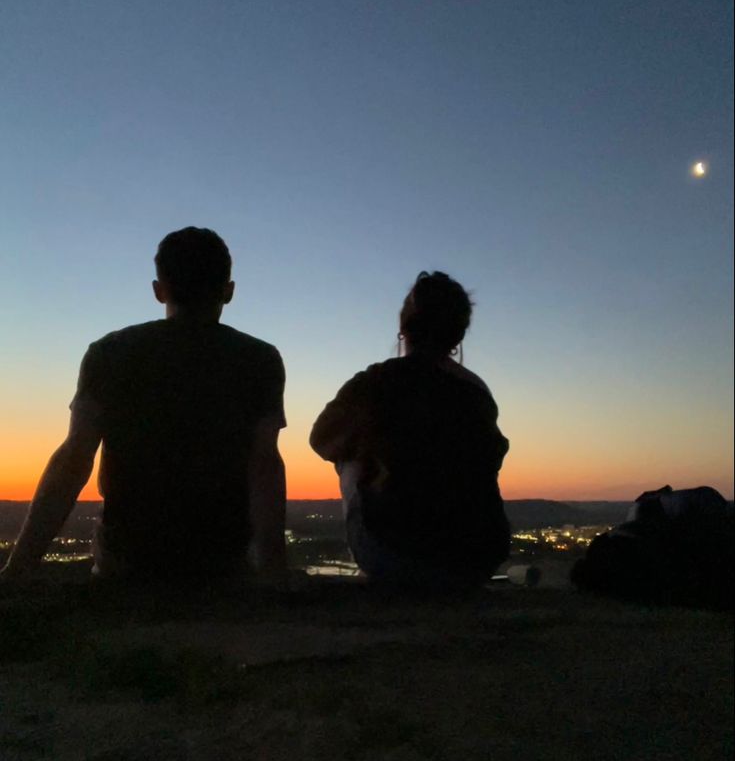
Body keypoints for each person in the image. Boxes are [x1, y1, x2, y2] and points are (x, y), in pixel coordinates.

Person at [1, 227, 287, 589]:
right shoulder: (259, 359)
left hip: (127, 561)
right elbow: (264, 464)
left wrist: (20, 566)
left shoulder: (111, 351)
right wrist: (274, 566)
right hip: (222, 562)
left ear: (159, 290)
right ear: (228, 291)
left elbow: (74, 458)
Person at [310, 271, 510, 593]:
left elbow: (321, 441)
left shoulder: (375, 382)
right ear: (458, 335)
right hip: (478, 560)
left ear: (404, 326)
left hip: (397, 560)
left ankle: (383, 535)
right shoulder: (477, 391)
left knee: (347, 451)